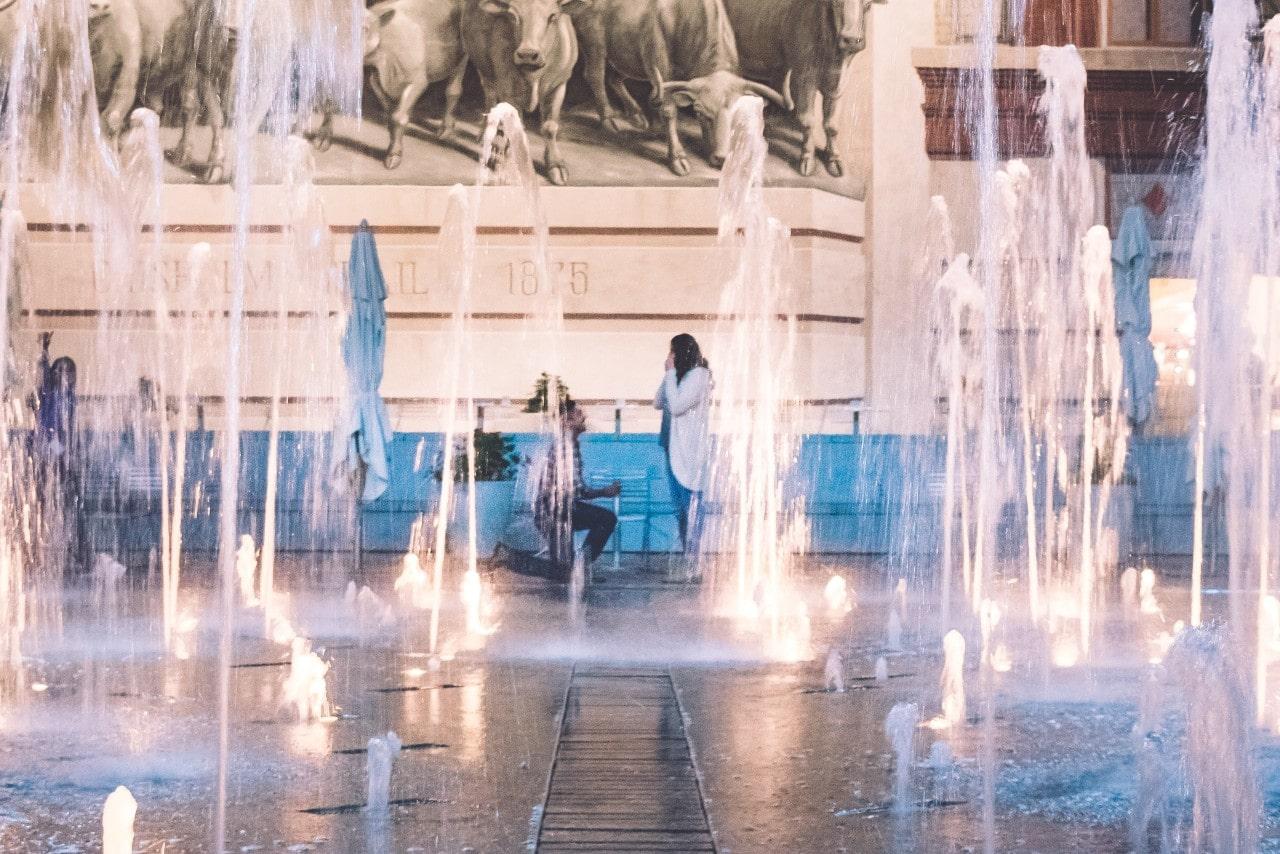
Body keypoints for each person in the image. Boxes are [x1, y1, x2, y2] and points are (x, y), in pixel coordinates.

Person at [536, 400, 620, 581]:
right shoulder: (566, 447)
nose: (584, 417)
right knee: (607, 519)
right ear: (565, 421)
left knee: (563, 570)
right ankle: (580, 566)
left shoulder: (568, 444)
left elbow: (573, 490)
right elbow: (577, 491)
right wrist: (604, 492)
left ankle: (575, 566)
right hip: (555, 510)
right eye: (578, 415)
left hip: (551, 509)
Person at [654, 333, 711, 553]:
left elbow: (677, 407)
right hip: (670, 447)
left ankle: (694, 558)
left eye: (672, 351)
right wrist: (669, 375)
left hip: (687, 451)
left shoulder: (699, 377)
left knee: (691, 506)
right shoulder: (678, 376)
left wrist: (670, 375)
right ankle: (688, 553)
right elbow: (658, 402)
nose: (669, 356)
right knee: (679, 507)